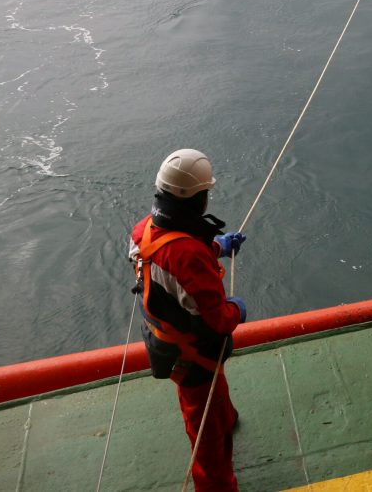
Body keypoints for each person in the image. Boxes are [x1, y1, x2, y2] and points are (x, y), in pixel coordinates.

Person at [129, 149, 248, 491]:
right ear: (199, 198)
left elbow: (171, 257)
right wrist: (237, 310)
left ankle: (227, 418)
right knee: (206, 434)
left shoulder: (144, 231)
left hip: (170, 341)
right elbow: (216, 318)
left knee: (216, 396)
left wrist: (217, 247)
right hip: (193, 356)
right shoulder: (190, 257)